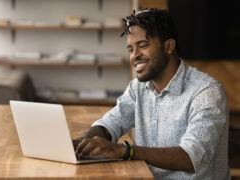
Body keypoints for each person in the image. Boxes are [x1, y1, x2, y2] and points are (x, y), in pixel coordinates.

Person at [73, 9, 230, 179]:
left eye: (143, 45)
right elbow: (111, 123)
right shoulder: (138, 88)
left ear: (169, 46)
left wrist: (127, 151)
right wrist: (81, 142)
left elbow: (192, 157)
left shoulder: (206, 91)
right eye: (131, 49)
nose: (135, 56)